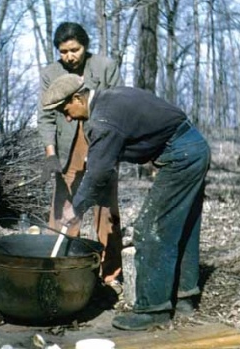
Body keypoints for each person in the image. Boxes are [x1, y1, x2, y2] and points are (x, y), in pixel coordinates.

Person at [41, 74, 210, 331]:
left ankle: (153, 310)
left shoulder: (103, 121)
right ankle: (186, 297)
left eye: (66, 109)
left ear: (78, 98)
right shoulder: (109, 98)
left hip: (182, 156)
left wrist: (75, 210)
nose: (67, 117)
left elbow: (97, 175)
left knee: (149, 229)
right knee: (182, 225)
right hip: (193, 147)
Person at [37, 22, 123, 290]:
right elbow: (46, 117)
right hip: (67, 150)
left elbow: (119, 107)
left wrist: (109, 150)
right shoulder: (50, 73)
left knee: (105, 212)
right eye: (63, 51)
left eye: (74, 50)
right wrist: (51, 155)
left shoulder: (104, 66)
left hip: (101, 146)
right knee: (64, 211)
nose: (69, 56)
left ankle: (110, 275)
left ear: (85, 47)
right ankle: (60, 271)